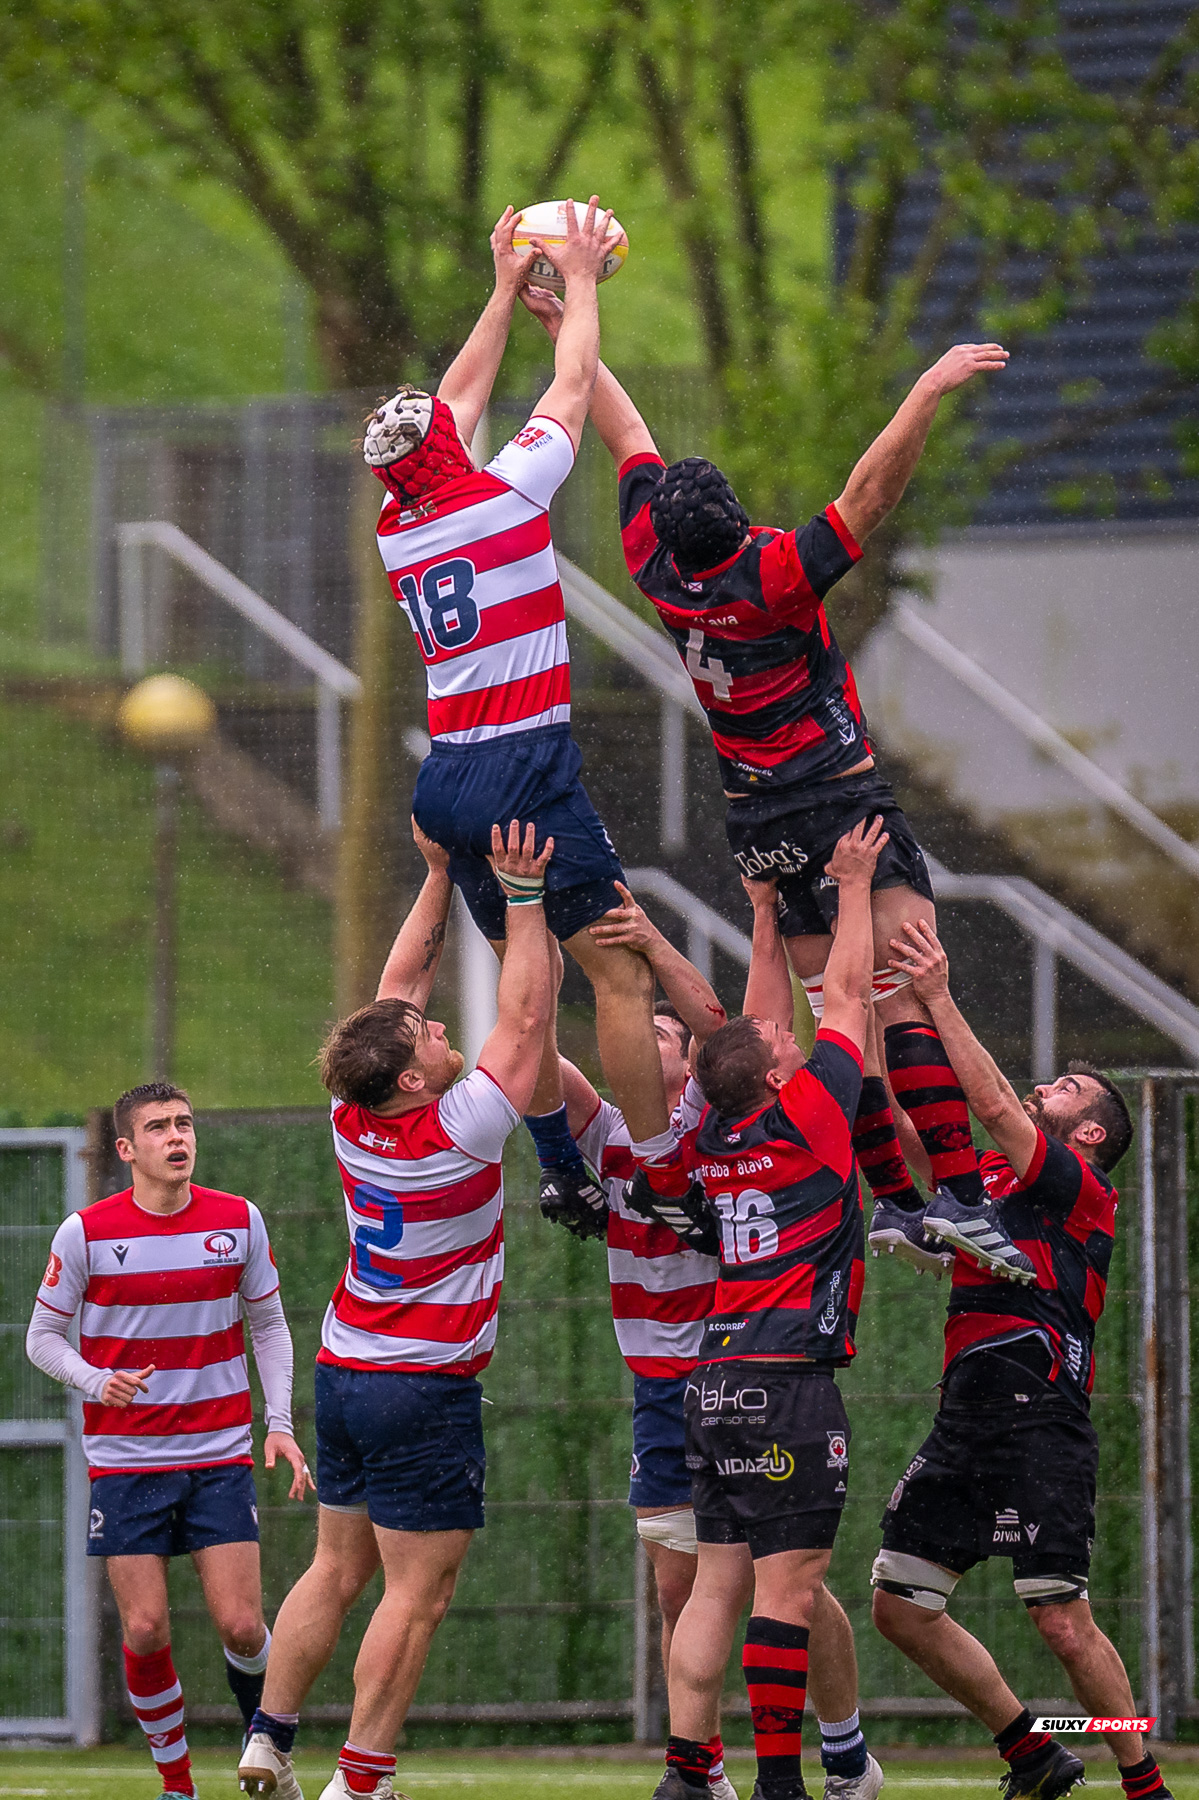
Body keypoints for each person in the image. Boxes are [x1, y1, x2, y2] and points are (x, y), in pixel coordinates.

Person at [518, 283, 1031, 1287]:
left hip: (754, 820)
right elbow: (870, 494)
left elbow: (625, 436)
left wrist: (564, 336)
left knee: (846, 1013)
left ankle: (892, 1201)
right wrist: (927, 388)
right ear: (738, 522)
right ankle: (962, 1197)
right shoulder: (775, 573)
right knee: (900, 996)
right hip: (835, 802)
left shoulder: (656, 572)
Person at [363, 198, 702, 1245]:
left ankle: (562, 1167)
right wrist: (583, 283)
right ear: (449, 455)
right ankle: (654, 1175)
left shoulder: (396, 526)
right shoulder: (504, 497)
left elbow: (454, 403)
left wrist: (503, 292)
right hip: (521, 772)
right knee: (613, 966)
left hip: (447, 778)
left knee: (530, 978)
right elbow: (569, 386)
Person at [238, 818, 553, 1800]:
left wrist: (436, 875)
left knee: (337, 1570)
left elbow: (395, 993)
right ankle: (361, 1781)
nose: (440, 1031)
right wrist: (526, 899)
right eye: (429, 1038)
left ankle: (267, 1742)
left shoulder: (354, 1112)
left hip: (349, 1374)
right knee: (418, 1593)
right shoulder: (458, 1132)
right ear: (414, 1081)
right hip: (421, 1387)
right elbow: (530, 1019)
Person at [869, 919, 1169, 1800]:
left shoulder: (1084, 1194)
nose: (1044, 1086)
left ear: (1088, 1137)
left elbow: (994, 1106)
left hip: (1040, 1420)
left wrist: (936, 994)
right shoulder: (991, 1187)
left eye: (1066, 1087)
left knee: (1062, 1623)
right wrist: (864, 1017)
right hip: (964, 1421)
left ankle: (1143, 1778)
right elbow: (906, 1130)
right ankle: (1034, 1751)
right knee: (899, 1607)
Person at [648, 818, 890, 1800]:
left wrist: (759, 915)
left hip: (711, 1379)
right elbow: (843, 995)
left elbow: (741, 1037)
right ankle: (782, 1785)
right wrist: (853, 886)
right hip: (787, 1383)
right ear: (778, 1076)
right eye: (785, 1044)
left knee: (718, 1582)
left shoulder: (718, 1135)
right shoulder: (811, 1111)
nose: (795, 1033)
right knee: (787, 1590)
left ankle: (681, 1772)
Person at [26, 1083, 311, 1800]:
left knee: (244, 1627)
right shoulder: (85, 1233)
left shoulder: (237, 1220)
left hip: (217, 1452)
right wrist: (97, 1381)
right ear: (127, 1150)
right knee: (147, 1627)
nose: (176, 1137)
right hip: (124, 1460)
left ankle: (269, 1756)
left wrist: (278, 1424)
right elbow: (41, 1340)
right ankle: (177, 1785)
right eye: (158, 1128)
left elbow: (269, 1327)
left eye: (183, 1124)